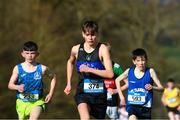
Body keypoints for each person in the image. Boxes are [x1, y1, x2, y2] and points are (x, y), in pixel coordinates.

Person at [64, 20, 114, 119]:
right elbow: (70, 62)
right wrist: (69, 83)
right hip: (82, 92)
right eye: (87, 35)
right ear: (83, 34)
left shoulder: (102, 49)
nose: (90, 38)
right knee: (85, 118)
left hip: (99, 95)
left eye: (93, 35)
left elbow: (110, 74)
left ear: (97, 34)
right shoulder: (76, 49)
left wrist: (90, 69)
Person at [8, 41, 56, 120]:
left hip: (37, 102)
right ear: (22, 54)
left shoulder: (43, 69)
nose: (30, 56)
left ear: (37, 54)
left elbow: (53, 77)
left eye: (32, 53)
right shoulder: (18, 68)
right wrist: (17, 87)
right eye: (27, 53)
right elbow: (10, 85)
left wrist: (50, 94)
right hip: (21, 102)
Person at [115, 48, 164, 120]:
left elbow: (162, 88)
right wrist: (121, 97)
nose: (141, 63)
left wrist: (153, 87)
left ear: (146, 60)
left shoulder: (150, 72)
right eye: (138, 60)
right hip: (132, 106)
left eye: (143, 60)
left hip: (146, 108)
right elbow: (117, 80)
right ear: (134, 61)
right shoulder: (129, 71)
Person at [103, 42, 128, 120]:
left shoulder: (116, 67)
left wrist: (115, 90)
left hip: (112, 104)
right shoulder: (95, 66)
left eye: (106, 52)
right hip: (97, 103)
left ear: (109, 53)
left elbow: (128, 84)